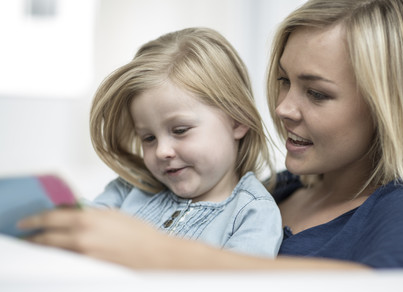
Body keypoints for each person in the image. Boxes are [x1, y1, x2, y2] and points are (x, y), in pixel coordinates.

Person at [19, 0, 403, 270]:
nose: (281, 108)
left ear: (388, 107)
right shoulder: (280, 187)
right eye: (283, 80)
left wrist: (160, 255)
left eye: (316, 94)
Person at [20, 27, 284, 258]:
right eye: (148, 138)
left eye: (180, 130)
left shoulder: (253, 214)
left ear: (237, 121)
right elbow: (83, 232)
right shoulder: (130, 189)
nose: (162, 151)